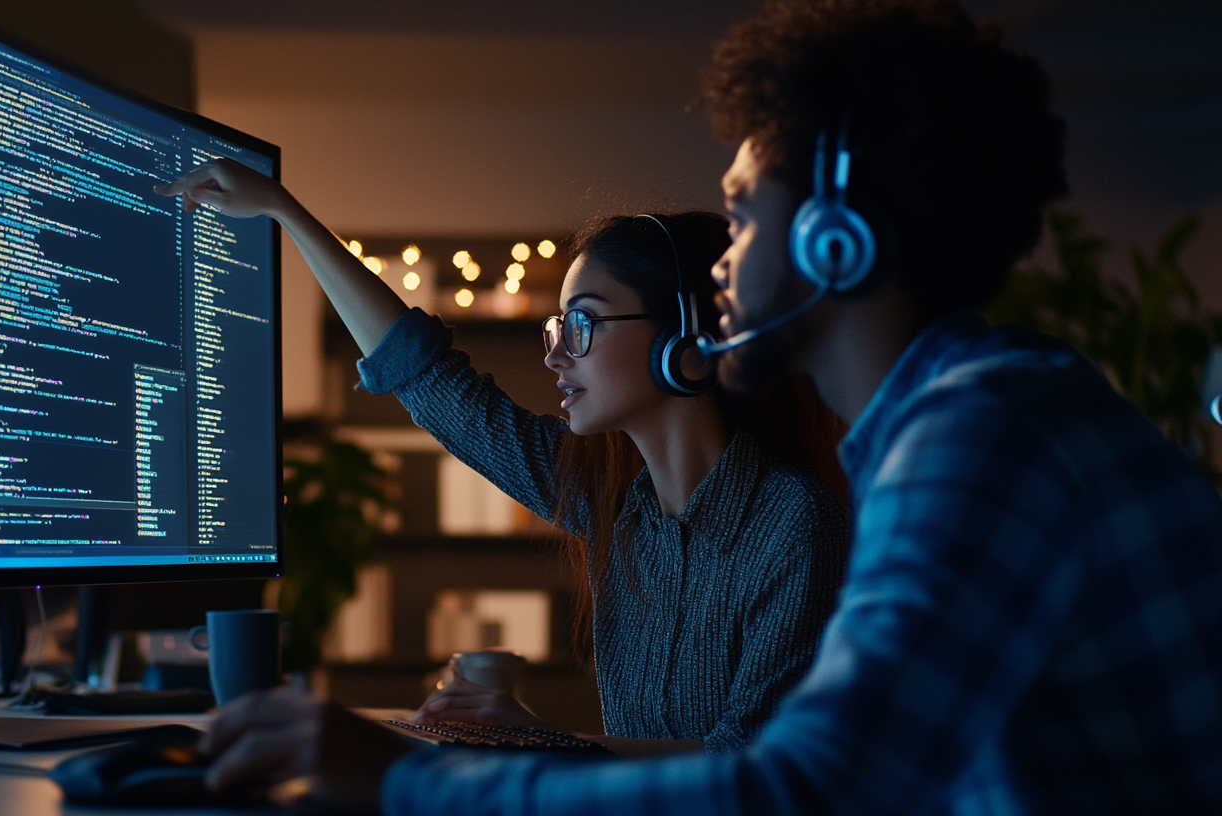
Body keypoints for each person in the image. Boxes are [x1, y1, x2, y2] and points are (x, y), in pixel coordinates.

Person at [175, 0, 1222, 813]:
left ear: (832, 240)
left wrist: (403, 779)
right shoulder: (947, 420)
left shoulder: (976, 439)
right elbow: (432, 380)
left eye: (740, 213)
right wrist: (280, 211)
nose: (725, 260)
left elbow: (796, 788)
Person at [153, 160, 851, 756]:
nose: (554, 353)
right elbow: (427, 377)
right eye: (556, 327)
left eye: (583, 324)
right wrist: (283, 211)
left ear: (688, 339)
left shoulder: (797, 524)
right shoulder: (611, 501)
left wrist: (540, 740)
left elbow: (749, 772)